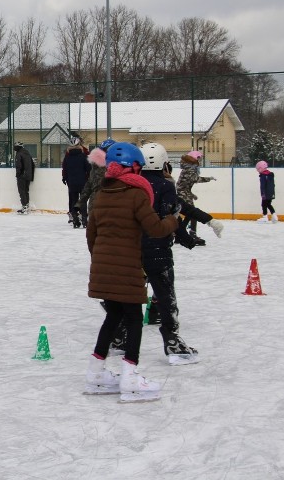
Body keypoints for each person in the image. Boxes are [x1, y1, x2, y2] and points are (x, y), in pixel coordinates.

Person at [83, 142, 178, 402]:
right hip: (126, 268)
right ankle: (130, 377)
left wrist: (103, 261)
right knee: (135, 318)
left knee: (113, 316)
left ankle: (96, 373)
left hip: (103, 267)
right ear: (133, 167)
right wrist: (174, 220)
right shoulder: (136, 194)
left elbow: (91, 236)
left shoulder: (101, 195)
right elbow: (156, 229)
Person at [138, 143, 200, 365]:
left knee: (130, 294)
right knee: (165, 295)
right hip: (158, 249)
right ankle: (172, 340)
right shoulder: (165, 186)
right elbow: (172, 216)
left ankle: (119, 336)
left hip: (135, 248)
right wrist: (187, 240)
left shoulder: (134, 183)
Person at [175, 150, 217, 246]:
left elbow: (184, 184)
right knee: (193, 213)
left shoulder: (188, 169)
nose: (200, 161)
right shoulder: (190, 169)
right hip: (183, 194)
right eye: (199, 158)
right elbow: (196, 179)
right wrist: (209, 179)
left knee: (190, 214)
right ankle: (190, 234)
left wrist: (191, 194)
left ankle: (180, 235)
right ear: (194, 159)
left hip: (184, 193)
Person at [75, 138, 115, 220]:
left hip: (96, 204)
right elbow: (89, 185)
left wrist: (80, 202)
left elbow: (88, 185)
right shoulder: (110, 168)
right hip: (105, 205)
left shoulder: (95, 167)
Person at [62, 136, 91, 228]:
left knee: (74, 200)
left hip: (71, 183)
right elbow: (89, 169)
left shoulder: (67, 157)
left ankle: (75, 221)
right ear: (79, 145)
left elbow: (65, 170)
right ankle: (84, 221)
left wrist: (65, 178)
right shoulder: (84, 156)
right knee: (82, 201)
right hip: (82, 182)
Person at [14, 141, 35, 214]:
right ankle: (26, 205)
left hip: (22, 176)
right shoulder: (27, 153)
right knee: (26, 191)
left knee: (22, 191)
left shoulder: (19, 154)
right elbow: (32, 164)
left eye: (15, 146)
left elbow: (19, 165)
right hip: (28, 175)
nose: (14, 147)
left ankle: (24, 207)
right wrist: (31, 175)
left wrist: (18, 174)